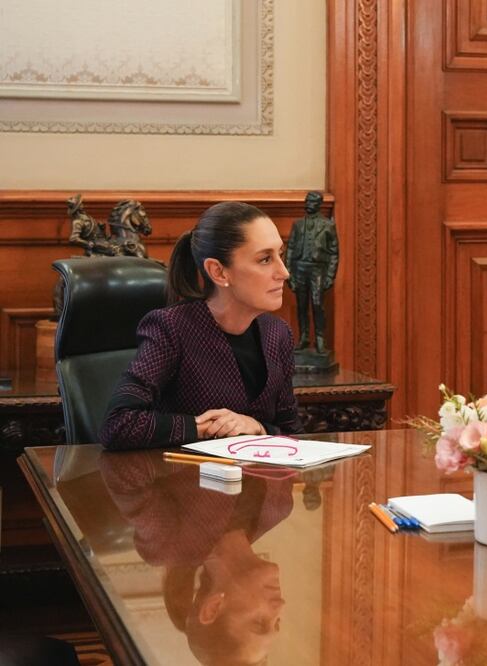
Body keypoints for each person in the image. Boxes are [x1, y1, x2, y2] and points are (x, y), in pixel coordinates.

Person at [99, 201, 302, 448]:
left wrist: (256, 427)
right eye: (264, 259)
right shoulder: (171, 328)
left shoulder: (277, 333)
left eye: (280, 255)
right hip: (181, 481)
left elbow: (292, 434)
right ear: (218, 272)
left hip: (256, 483)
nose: (284, 272)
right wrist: (207, 427)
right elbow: (119, 424)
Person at [94, 451, 293, 665]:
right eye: (277, 622)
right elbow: (285, 437)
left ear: (213, 607)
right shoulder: (278, 507)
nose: (279, 605)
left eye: (259, 622)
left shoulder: (169, 543)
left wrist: (217, 450)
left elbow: (120, 469)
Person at [285, 191, 339, 354]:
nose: (307, 204)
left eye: (311, 202)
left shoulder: (328, 225)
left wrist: (330, 276)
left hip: (317, 270)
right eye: (306, 201)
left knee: (317, 304)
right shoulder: (298, 224)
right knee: (301, 305)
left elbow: (334, 252)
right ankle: (304, 337)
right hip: (299, 267)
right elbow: (291, 248)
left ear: (318, 204)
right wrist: (288, 272)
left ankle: (320, 339)